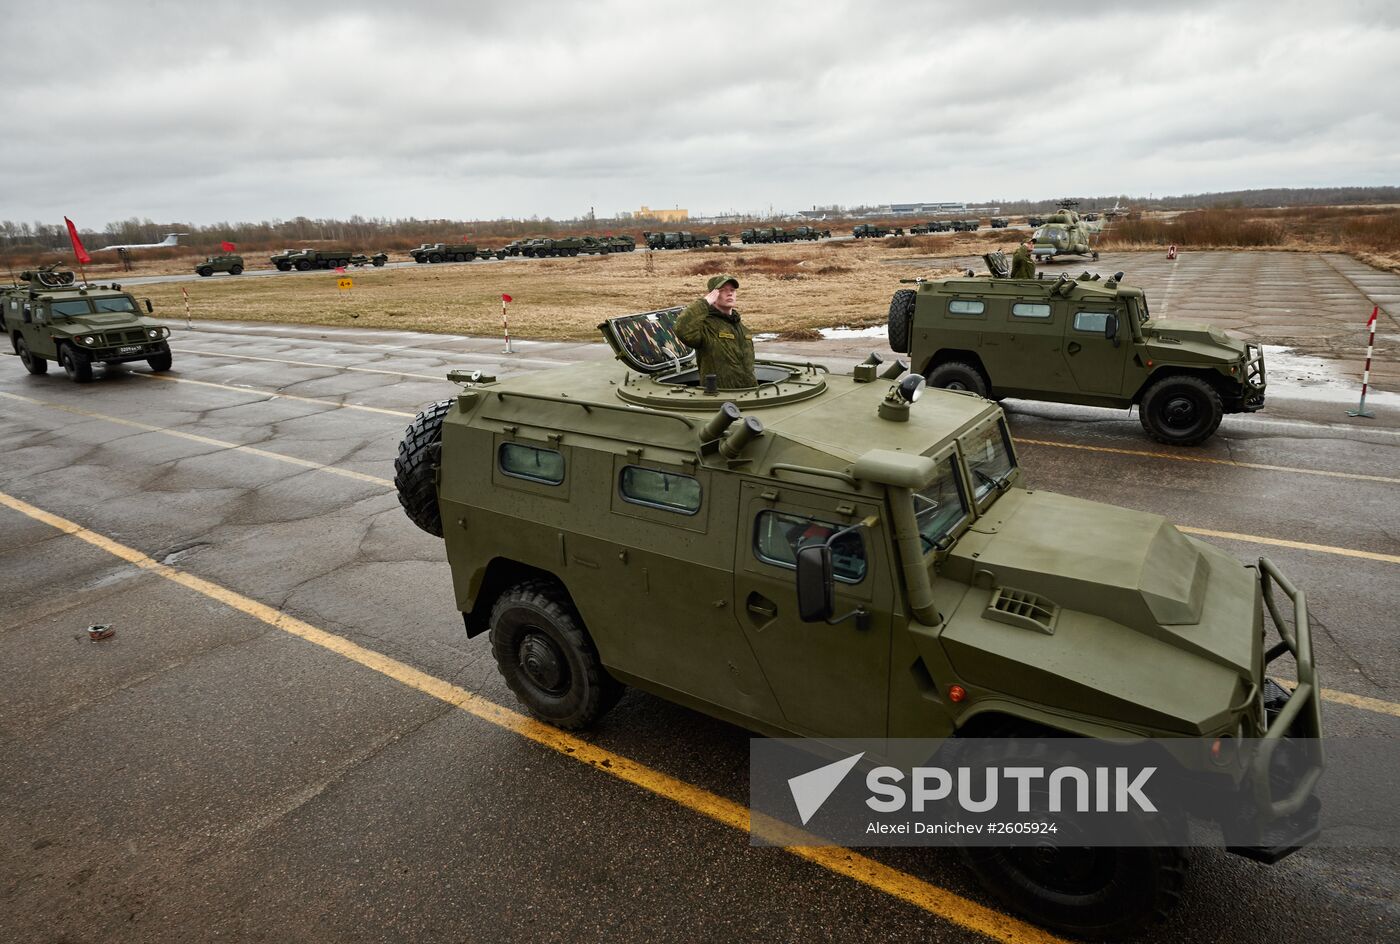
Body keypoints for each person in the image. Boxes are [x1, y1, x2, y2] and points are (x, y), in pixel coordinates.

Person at [675, 274, 755, 388]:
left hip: (748, 394)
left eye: (732, 290)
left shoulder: (741, 327)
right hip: (719, 397)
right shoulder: (706, 326)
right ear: (713, 295)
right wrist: (704, 302)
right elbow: (682, 329)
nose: (730, 293)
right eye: (723, 290)